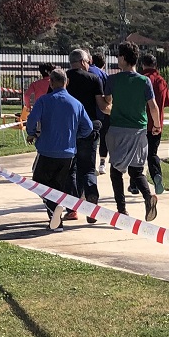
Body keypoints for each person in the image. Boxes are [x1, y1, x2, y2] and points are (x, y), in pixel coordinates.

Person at [24, 68, 95, 230]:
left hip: (47, 151)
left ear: (51, 82)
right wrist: (75, 136)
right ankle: (56, 220)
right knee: (57, 185)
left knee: (39, 183)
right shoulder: (76, 104)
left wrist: (31, 134)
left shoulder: (43, 101)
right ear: (67, 82)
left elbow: (32, 119)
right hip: (68, 153)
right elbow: (88, 128)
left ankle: (54, 209)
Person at [104, 42, 161, 221]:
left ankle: (122, 210)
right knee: (136, 170)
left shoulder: (112, 80)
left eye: (118, 56)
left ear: (123, 58)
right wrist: (157, 126)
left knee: (116, 171)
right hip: (139, 130)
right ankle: (147, 196)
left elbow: (107, 102)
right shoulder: (144, 81)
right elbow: (153, 106)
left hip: (118, 130)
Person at [65, 48, 107, 222]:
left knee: (71, 169)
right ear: (83, 62)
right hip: (89, 127)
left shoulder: (63, 78)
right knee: (88, 168)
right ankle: (91, 202)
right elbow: (101, 105)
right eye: (88, 62)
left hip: (68, 130)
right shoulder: (94, 79)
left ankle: (72, 208)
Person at [139, 51, 169, 195]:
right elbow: (166, 102)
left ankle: (135, 183)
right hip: (157, 124)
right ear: (155, 65)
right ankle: (157, 175)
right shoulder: (161, 81)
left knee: (138, 154)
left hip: (141, 123)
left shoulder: (140, 79)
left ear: (142, 65)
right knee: (152, 153)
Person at [91, 51, 111, 170]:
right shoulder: (104, 75)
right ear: (103, 64)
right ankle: (102, 162)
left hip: (88, 110)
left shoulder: (87, 71)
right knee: (103, 136)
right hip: (102, 111)